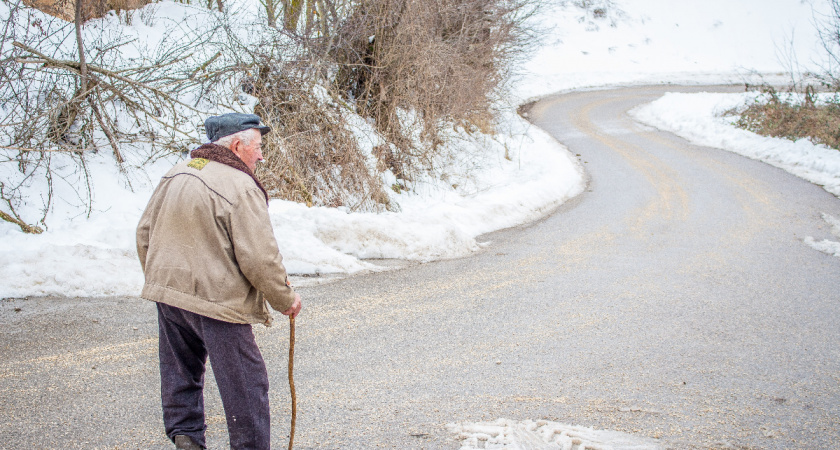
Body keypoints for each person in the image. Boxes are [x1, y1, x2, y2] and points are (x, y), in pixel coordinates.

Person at [136, 112, 302, 450]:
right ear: (238, 145)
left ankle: (186, 436)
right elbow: (259, 257)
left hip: (169, 295)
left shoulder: (176, 173)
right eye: (258, 146)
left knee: (181, 373)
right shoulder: (240, 186)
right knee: (246, 385)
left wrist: (163, 281)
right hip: (218, 302)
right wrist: (285, 299)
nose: (261, 155)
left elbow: (144, 234)